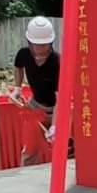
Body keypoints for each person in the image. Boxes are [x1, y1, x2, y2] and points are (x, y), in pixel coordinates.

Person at [12, 16, 60, 166]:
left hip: (55, 109)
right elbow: (18, 66)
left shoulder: (57, 62)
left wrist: (55, 125)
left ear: (50, 42)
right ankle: (25, 178)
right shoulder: (24, 55)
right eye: (36, 44)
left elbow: (61, 99)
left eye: (44, 45)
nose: (39, 48)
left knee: (62, 147)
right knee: (30, 149)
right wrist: (17, 88)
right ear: (29, 42)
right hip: (35, 106)